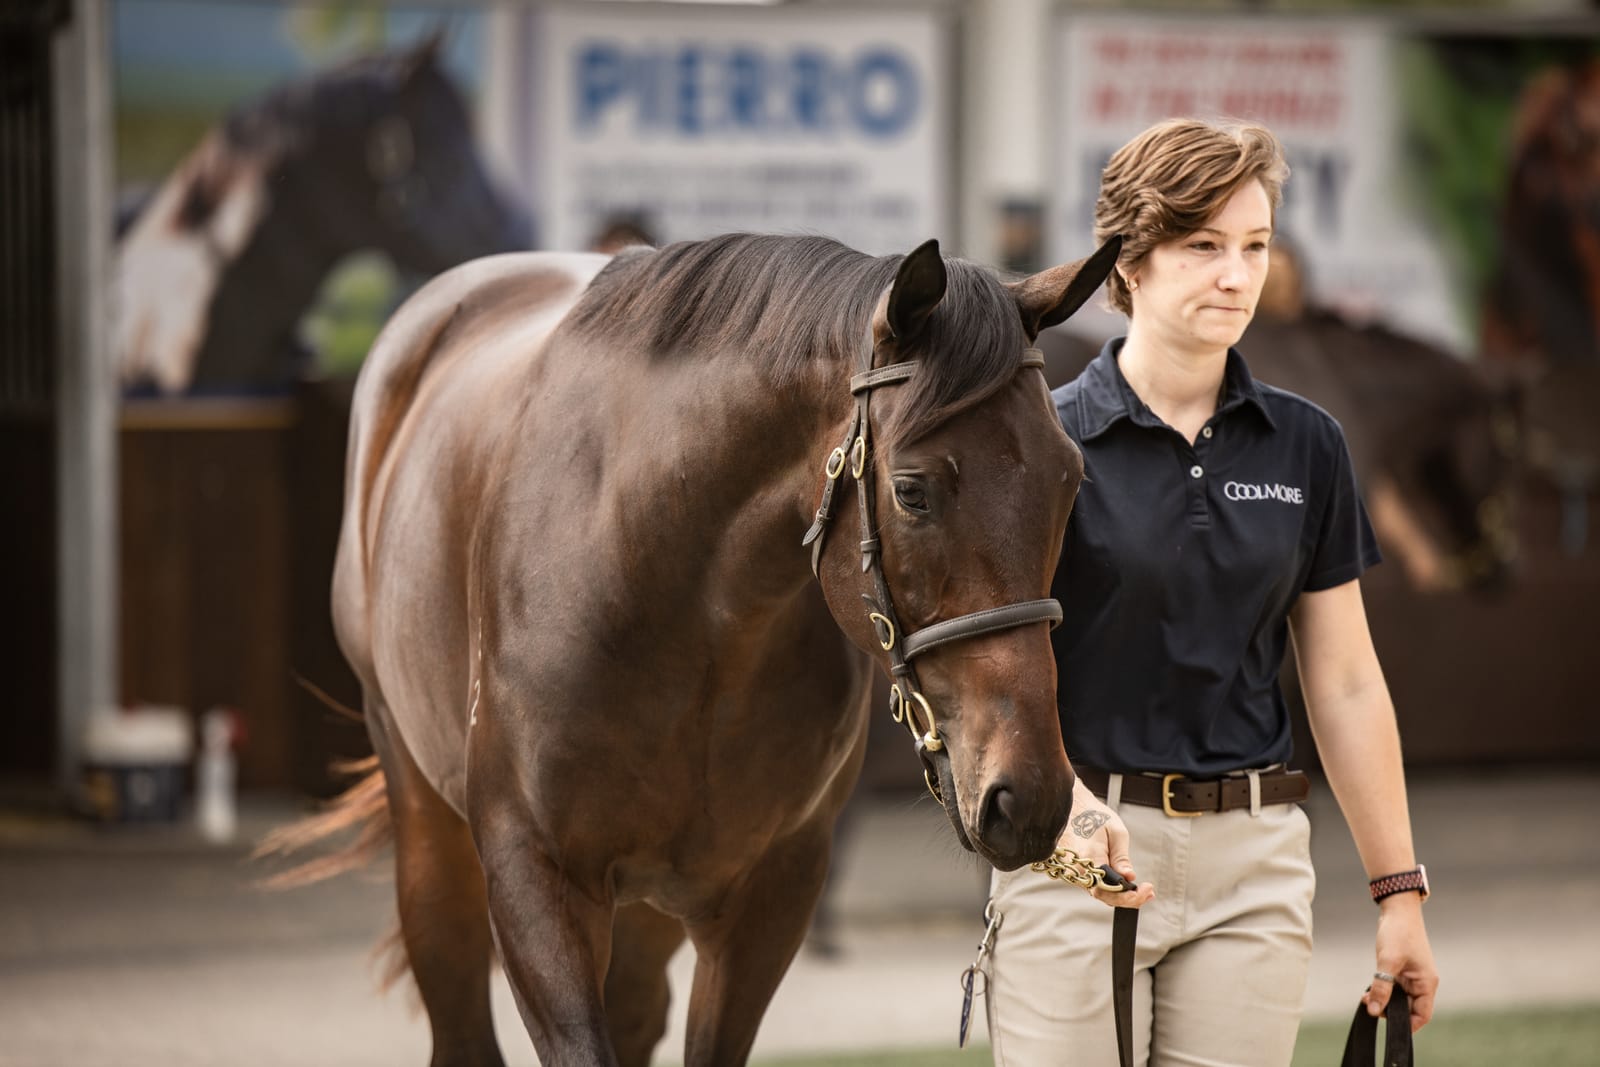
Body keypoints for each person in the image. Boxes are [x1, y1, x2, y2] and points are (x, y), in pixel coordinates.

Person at [982, 118, 1440, 1066]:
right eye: (1203, 247)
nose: (1238, 275)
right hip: (1079, 853)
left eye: (1255, 247)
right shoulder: (1042, 441)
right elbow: (989, 672)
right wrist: (1056, 812)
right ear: (1132, 262)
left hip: (1256, 868)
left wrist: (1399, 892)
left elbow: (1347, 680)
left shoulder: (1308, 443)